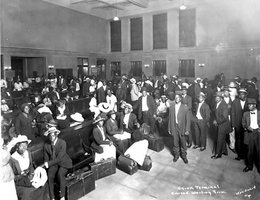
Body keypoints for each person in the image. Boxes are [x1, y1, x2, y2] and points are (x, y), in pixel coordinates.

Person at [10, 135, 49, 200]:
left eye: (25, 145)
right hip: (20, 181)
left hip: (30, 176)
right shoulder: (13, 158)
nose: (24, 148)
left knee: (43, 184)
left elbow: (31, 166)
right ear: (17, 146)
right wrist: (23, 176)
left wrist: (32, 173)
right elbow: (13, 177)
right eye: (21, 146)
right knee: (28, 192)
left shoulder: (28, 153)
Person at [43, 127, 72, 200]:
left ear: (56, 135)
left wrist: (48, 164)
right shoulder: (46, 145)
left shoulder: (62, 143)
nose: (51, 137)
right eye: (50, 136)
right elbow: (46, 158)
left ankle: (62, 196)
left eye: (53, 135)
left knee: (60, 174)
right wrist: (46, 164)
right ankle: (52, 197)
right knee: (50, 175)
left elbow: (59, 158)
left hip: (64, 163)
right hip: (54, 163)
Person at [168, 91, 191, 164]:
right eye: (175, 97)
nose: (176, 98)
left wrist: (187, 129)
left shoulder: (185, 107)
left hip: (182, 128)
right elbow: (170, 119)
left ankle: (184, 156)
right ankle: (176, 155)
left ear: (181, 98)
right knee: (175, 142)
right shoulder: (172, 107)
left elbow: (188, 120)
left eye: (178, 97)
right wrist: (169, 128)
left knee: (183, 142)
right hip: (174, 127)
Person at [242, 98, 260, 173]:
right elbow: (243, 123)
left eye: (250, 105)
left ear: (254, 105)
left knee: (259, 151)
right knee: (250, 151)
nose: (248, 106)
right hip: (249, 133)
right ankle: (249, 166)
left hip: (258, 133)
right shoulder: (245, 114)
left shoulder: (259, 113)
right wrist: (246, 127)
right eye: (248, 105)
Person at [211, 91, 230, 159]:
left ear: (221, 98)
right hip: (220, 123)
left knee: (219, 139)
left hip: (223, 124)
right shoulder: (217, 103)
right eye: (215, 97)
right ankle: (224, 151)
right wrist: (214, 119)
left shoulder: (224, 105)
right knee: (222, 138)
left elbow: (224, 117)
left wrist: (217, 121)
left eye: (218, 97)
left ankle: (218, 154)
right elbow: (215, 113)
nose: (216, 98)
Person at [231, 88, 248, 160]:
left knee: (246, 140)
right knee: (238, 140)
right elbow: (232, 113)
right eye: (240, 94)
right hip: (238, 124)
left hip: (246, 125)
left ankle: (246, 155)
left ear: (245, 95)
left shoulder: (249, 102)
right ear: (239, 95)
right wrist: (233, 124)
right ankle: (239, 155)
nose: (241, 95)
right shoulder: (235, 102)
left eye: (243, 94)